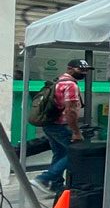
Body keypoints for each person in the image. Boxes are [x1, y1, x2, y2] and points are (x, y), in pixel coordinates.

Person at [31, 59, 91, 195]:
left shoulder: (57, 81)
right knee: (72, 153)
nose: (84, 73)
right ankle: (44, 178)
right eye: (81, 69)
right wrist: (76, 131)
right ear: (70, 69)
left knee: (60, 153)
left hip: (50, 124)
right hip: (61, 126)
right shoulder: (70, 85)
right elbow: (70, 111)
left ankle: (55, 185)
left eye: (86, 70)